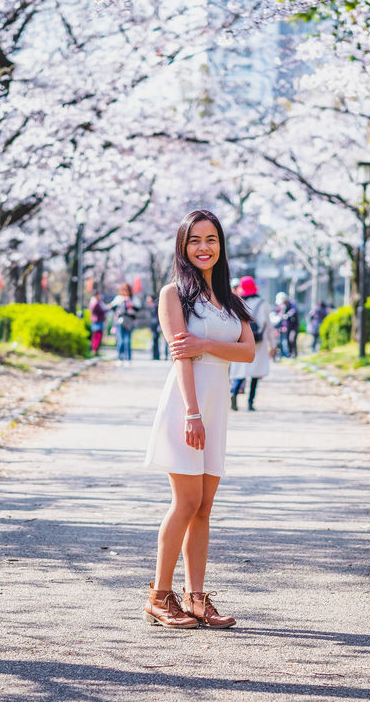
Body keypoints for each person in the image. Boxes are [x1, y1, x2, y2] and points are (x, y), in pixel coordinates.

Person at [144, 209, 255, 629]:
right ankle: (159, 597)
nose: (203, 247)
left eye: (211, 239)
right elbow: (182, 358)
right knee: (186, 502)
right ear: (183, 246)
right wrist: (191, 412)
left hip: (216, 408)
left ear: (220, 245)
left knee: (204, 507)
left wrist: (205, 343)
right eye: (195, 240)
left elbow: (248, 351)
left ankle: (195, 598)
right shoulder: (173, 295)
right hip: (185, 405)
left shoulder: (229, 299)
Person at [229, 276, 272, 411]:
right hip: (258, 342)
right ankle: (250, 403)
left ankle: (234, 394)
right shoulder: (262, 303)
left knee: (240, 371)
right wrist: (273, 345)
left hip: (240, 341)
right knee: (255, 374)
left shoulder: (236, 302)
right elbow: (268, 325)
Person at [109, 283, 137, 361]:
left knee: (127, 340)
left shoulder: (133, 299)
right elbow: (111, 307)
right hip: (120, 321)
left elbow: (137, 308)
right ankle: (120, 357)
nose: (126, 292)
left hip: (129, 321)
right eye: (124, 290)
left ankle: (128, 358)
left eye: (127, 290)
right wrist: (120, 303)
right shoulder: (118, 298)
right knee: (120, 340)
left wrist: (131, 305)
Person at [274, 292, 299, 358]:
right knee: (287, 340)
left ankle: (294, 353)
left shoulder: (292, 304)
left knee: (292, 339)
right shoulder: (282, 306)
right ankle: (289, 354)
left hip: (293, 326)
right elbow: (280, 314)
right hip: (287, 327)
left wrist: (287, 315)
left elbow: (293, 311)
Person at [89, 292, 107, 356]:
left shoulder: (96, 302)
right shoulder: (95, 302)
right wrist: (106, 309)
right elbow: (100, 310)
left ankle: (95, 350)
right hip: (97, 321)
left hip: (97, 321)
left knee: (96, 336)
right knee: (97, 336)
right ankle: (94, 349)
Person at [146, 293, 163, 359]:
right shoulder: (152, 305)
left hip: (156, 324)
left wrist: (159, 325)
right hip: (153, 325)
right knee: (154, 340)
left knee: (155, 340)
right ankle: (155, 355)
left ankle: (156, 355)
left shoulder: (156, 305)